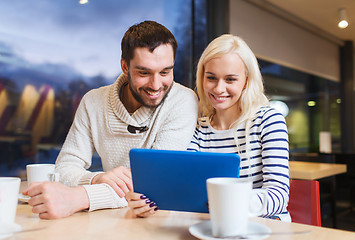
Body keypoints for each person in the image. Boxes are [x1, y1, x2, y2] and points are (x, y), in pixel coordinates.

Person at [23, 20, 198, 219]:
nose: (156, 85)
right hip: (111, 217)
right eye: (144, 72)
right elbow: (63, 168)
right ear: (124, 66)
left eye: (165, 72)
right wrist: (97, 178)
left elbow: (153, 184)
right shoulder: (93, 102)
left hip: (160, 218)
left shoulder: (182, 101)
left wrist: (80, 197)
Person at [127, 34, 290, 221]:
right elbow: (185, 188)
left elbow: (279, 196)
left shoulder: (268, 120)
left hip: (263, 225)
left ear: (246, 80)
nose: (219, 89)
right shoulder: (198, 127)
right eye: (211, 78)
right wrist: (149, 202)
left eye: (230, 80)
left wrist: (232, 202)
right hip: (210, 225)